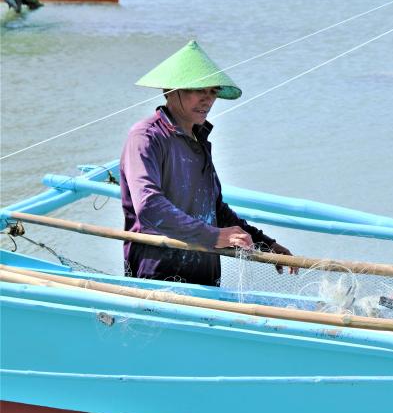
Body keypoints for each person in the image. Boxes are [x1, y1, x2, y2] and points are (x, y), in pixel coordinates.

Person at [120, 40, 296, 286]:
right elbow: (149, 206)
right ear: (170, 90)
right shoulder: (146, 137)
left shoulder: (199, 139)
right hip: (157, 275)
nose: (207, 100)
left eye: (213, 91)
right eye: (198, 89)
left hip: (205, 274)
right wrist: (213, 236)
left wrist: (265, 244)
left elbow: (214, 209)